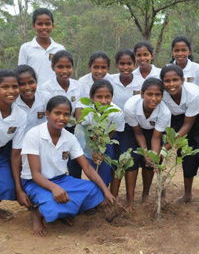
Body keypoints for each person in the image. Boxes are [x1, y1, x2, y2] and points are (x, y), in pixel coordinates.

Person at [21, 96, 116, 236]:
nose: (62, 118)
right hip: (35, 182)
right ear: (47, 114)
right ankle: (37, 213)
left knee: (94, 190)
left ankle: (64, 210)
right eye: (57, 113)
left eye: (66, 114)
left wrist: (106, 191)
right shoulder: (34, 134)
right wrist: (54, 188)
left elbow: (88, 168)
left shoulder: (69, 138)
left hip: (62, 180)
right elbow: (35, 174)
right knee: (54, 207)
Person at [160, 64, 199, 213]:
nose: (171, 84)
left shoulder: (193, 93)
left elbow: (188, 124)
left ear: (182, 80)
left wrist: (165, 148)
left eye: (175, 80)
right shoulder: (162, 93)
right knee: (186, 156)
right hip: (180, 120)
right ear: (162, 82)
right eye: (167, 81)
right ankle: (187, 194)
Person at [123, 78, 171, 203]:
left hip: (155, 132)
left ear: (162, 95)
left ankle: (145, 194)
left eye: (158, 95)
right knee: (132, 160)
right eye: (149, 94)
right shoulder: (130, 107)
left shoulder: (165, 112)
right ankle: (130, 199)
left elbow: (156, 137)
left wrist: (152, 156)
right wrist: (144, 152)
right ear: (142, 94)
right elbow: (138, 133)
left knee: (151, 163)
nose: (153, 99)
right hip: (135, 130)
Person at [74, 80, 125, 185]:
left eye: (107, 97)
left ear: (112, 97)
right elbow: (86, 131)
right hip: (84, 142)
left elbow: (113, 131)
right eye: (99, 97)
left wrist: (101, 146)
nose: (103, 101)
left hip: (104, 143)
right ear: (92, 98)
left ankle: (103, 195)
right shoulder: (86, 110)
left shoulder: (116, 112)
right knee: (87, 171)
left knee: (105, 173)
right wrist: (94, 148)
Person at [109, 49, 142, 210]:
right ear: (117, 65)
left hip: (132, 128)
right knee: (115, 163)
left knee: (131, 163)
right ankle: (112, 199)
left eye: (129, 63)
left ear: (134, 65)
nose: (125, 67)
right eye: (122, 64)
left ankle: (130, 201)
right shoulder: (110, 80)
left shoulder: (141, 82)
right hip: (113, 128)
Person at [0, 70, 32, 220]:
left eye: (14, 86)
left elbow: (15, 153)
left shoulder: (20, 115)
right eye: (5, 87)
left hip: (2, 153)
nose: (11, 91)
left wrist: (19, 190)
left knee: (8, 187)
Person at [18, 8, 65, 86]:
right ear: (33, 25)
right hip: (34, 93)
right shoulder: (26, 48)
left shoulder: (60, 49)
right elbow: (20, 73)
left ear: (53, 25)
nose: (44, 27)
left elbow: (63, 72)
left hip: (55, 93)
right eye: (40, 24)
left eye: (47, 24)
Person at [39, 50, 80, 132]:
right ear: (53, 67)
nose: (64, 71)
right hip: (53, 129)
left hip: (73, 128)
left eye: (68, 67)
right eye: (60, 67)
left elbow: (79, 111)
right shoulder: (46, 88)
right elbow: (46, 114)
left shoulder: (78, 85)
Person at [15, 65, 48, 132]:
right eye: (22, 84)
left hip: (42, 139)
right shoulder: (13, 102)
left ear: (36, 81)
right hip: (19, 140)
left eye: (31, 82)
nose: (27, 87)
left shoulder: (45, 98)